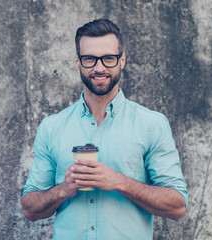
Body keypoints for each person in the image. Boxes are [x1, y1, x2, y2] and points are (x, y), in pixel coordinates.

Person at [21, 19, 188, 240]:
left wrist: (120, 182)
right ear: (77, 61)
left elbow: (177, 206)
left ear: (122, 60)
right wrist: (63, 189)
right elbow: (30, 209)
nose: (99, 68)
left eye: (109, 58)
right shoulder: (52, 127)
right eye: (89, 59)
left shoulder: (151, 124)